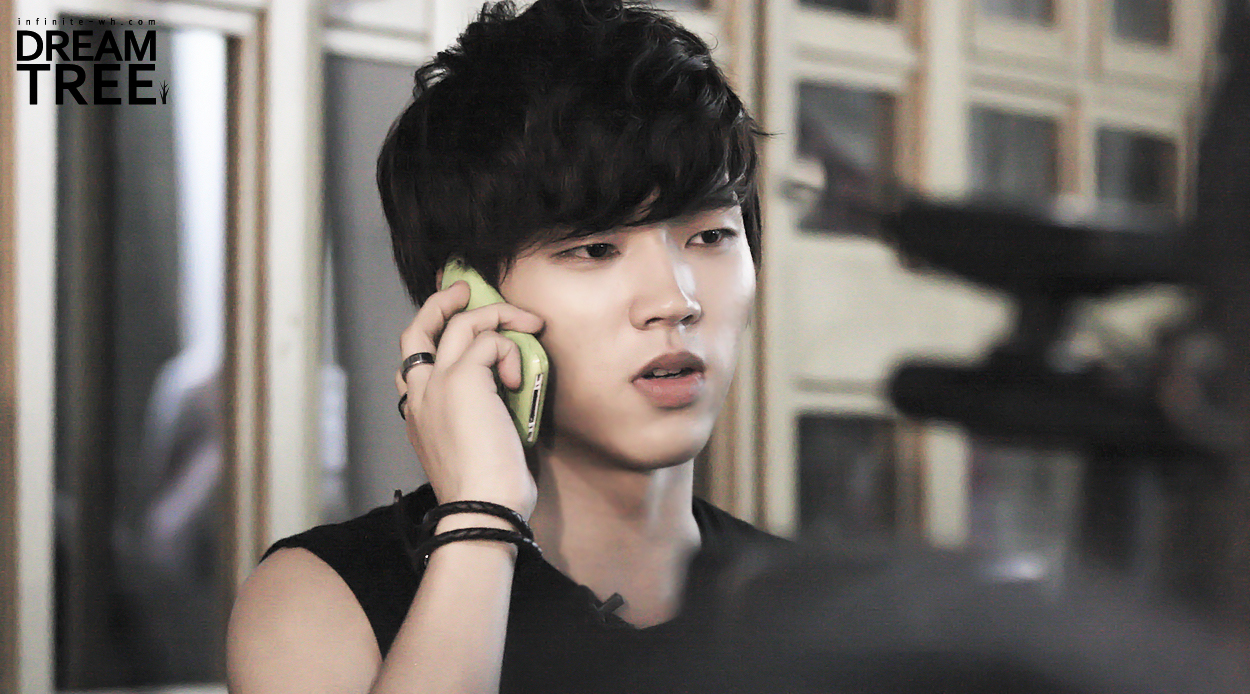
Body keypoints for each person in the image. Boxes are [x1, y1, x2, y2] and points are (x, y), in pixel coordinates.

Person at [225, 0, 778, 691]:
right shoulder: (320, 602)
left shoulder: (816, 612)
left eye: (712, 236)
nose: (676, 300)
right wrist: (480, 520)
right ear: (469, 297)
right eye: (595, 248)